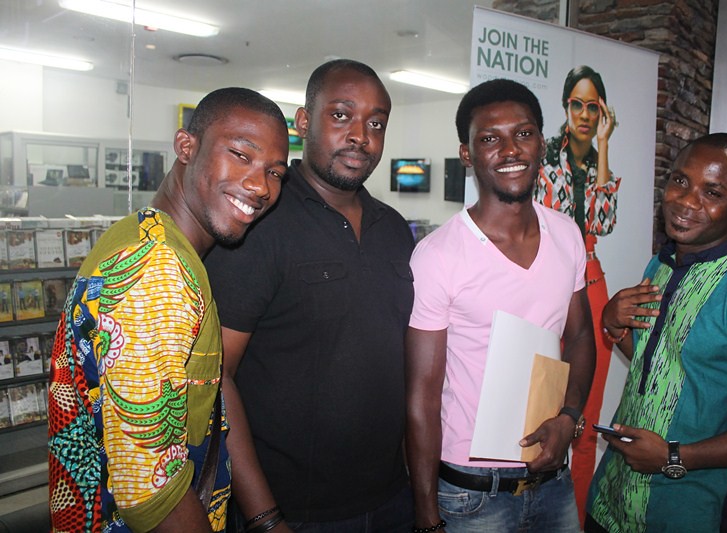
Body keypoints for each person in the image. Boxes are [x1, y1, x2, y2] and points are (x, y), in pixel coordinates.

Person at [47, 87, 289, 532]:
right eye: (240, 155)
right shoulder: (157, 270)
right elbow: (151, 494)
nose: (260, 186)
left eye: (274, 172)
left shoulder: (150, 238)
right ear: (186, 147)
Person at [203, 59, 416, 532]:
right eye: (341, 115)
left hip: (390, 499)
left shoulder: (394, 230)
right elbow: (216, 379)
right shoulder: (259, 225)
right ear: (303, 121)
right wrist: (263, 517)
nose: (360, 136)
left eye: (376, 123)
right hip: (293, 512)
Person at [405, 78, 595, 533]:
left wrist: (569, 417)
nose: (511, 150)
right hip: (471, 494)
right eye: (490, 139)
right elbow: (422, 397)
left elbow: (581, 335)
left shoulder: (567, 234)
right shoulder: (438, 255)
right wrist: (427, 515)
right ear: (467, 154)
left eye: (523, 134)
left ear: (543, 144)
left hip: (552, 477)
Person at [585, 133, 727, 532]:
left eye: (712, 192)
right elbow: (663, 363)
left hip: (691, 511)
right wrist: (613, 325)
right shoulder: (661, 263)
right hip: (611, 498)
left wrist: (674, 456)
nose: (686, 201)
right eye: (680, 181)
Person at [533, 65, 619, 522]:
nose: (584, 114)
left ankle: (577, 519)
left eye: (593, 106)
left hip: (592, 282)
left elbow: (603, 223)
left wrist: (603, 148)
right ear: (565, 106)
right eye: (577, 104)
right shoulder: (545, 159)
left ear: (601, 113)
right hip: (547, 280)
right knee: (538, 405)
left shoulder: (598, 163)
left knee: (585, 416)